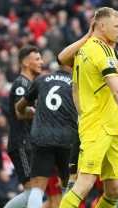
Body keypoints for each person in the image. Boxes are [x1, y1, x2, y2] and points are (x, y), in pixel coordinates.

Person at [59, 7, 118, 208]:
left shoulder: (87, 52)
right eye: (117, 26)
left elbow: (76, 89)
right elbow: (117, 91)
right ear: (102, 26)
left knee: (115, 190)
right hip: (98, 126)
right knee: (83, 184)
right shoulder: (95, 50)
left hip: (114, 128)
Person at [15, 64, 78, 208]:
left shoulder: (42, 79)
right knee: (68, 186)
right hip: (67, 139)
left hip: (42, 138)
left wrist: (30, 110)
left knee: (37, 189)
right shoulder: (76, 83)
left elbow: (19, 106)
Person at [4, 45, 43, 208]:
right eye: (37, 59)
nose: (41, 62)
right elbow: (20, 112)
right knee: (32, 191)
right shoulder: (21, 83)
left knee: (35, 191)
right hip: (21, 143)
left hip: (28, 142)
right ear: (26, 63)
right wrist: (41, 111)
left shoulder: (30, 84)